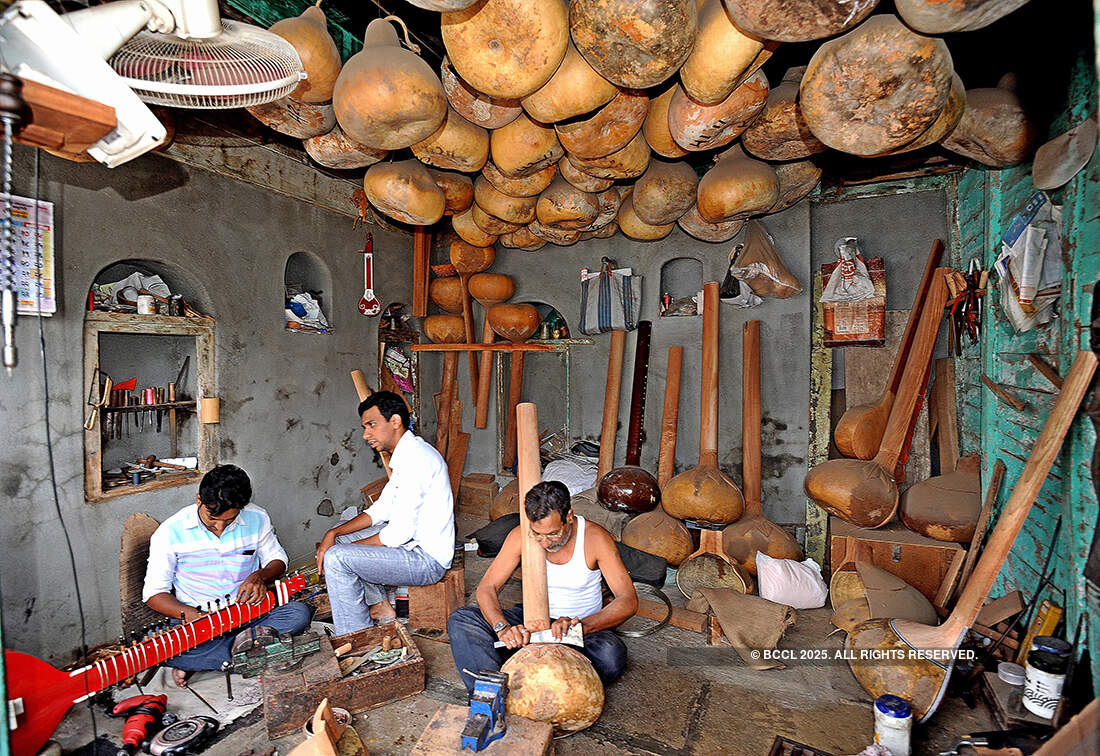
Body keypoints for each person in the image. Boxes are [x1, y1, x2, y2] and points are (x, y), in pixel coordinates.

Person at [447, 480, 637, 694]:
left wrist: (582, 626)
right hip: (530, 624)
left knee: (610, 655)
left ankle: (526, 675)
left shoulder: (595, 538)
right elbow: (486, 588)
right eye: (538, 534)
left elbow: (627, 600)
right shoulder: (520, 535)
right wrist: (503, 628)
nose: (545, 543)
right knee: (463, 619)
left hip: (577, 631)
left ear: (569, 517)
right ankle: (490, 695)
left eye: (553, 534)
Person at [143, 464, 311, 687]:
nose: (219, 526)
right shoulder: (169, 532)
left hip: (250, 612)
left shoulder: (257, 517)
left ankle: (220, 658)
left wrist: (260, 576)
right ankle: (251, 652)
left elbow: (278, 560)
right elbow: (154, 594)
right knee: (160, 650)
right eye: (212, 517)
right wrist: (193, 616)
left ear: (242, 507)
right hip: (198, 619)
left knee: (299, 614)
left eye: (229, 520)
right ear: (198, 500)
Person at [316, 391, 455, 634]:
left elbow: (397, 533)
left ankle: (356, 637)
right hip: (411, 545)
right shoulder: (406, 455)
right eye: (364, 427)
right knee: (341, 541)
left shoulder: (417, 460)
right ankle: (381, 606)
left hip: (426, 561)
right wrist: (333, 532)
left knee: (337, 558)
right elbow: (380, 510)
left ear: (395, 421)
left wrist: (346, 550)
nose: (365, 434)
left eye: (372, 424)